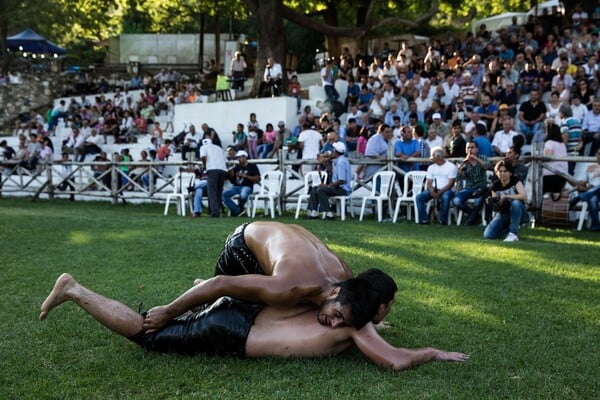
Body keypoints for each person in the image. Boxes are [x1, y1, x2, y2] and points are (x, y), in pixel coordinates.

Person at [39, 273, 469, 370]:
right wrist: (435, 352)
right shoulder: (358, 325)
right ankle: (75, 290)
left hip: (245, 312)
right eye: (339, 320)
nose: (334, 325)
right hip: (232, 329)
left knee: (203, 302)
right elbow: (393, 362)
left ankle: (197, 297)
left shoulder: (336, 293)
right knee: (146, 334)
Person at [143, 222, 398, 333]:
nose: (334, 325)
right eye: (337, 316)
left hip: (283, 245)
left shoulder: (346, 279)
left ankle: (205, 287)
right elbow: (222, 284)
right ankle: (201, 288)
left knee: (292, 303)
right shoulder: (289, 287)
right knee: (238, 305)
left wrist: (371, 320)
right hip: (243, 245)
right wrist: (167, 312)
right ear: (334, 292)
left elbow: (353, 303)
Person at [483, 160, 528, 242]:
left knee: (516, 203)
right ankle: (507, 231)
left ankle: (513, 234)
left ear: (510, 173)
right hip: (504, 213)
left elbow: (524, 197)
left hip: (520, 213)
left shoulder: (516, 181)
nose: (502, 173)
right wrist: (492, 203)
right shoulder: (495, 186)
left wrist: (507, 196)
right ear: (497, 173)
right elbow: (497, 207)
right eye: (500, 171)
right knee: (488, 235)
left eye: (505, 171)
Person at [307, 141, 352, 220]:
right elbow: (332, 171)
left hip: (343, 189)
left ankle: (329, 212)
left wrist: (328, 185)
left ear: (336, 151)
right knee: (315, 188)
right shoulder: (338, 160)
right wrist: (326, 160)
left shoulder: (341, 162)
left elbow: (342, 180)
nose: (332, 151)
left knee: (321, 190)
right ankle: (314, 211)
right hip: (337, 187)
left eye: (334, 150)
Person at [415, 146, 457, 225]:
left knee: (445, 197)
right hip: (434, 189)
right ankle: (424, 219)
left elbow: (451, 183)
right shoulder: (431, 167)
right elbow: (429, 182)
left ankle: (443, 220)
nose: (430, 158)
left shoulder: (451, 167)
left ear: (438, 157)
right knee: (419, 197)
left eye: (432, 156)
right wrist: (431, 190)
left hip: (447, 190)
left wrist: (440, 192)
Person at [452, 141, 489, 225]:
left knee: (477, 202)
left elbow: (487, 167)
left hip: (481, 188)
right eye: (468, 148)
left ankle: (471, 220)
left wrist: (475, 158)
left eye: (472, 147)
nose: (470, 150)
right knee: (456, 201)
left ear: (477, 149)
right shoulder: (464, 162)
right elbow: (458, 178)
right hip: (468, 188)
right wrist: (463, 165)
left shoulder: (483, 158)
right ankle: (474, 216)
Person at [569, 148, 600, 231]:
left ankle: (579, 198)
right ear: (596, 154)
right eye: (599, 153)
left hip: (594, 190)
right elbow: (582, 182)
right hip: (593, 192)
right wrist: (569, 179)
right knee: (593, 200)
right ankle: (596, 226)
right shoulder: (590, 167)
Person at [222, 150, 260, 217]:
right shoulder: (236, 167)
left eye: (240, 157)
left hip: (247, 186)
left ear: (245, 157)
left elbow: (257, 178)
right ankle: (237, 210)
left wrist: (245, 176)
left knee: (243, 195)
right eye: (238, 157)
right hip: (236, 187)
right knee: (223, 195)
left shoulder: (252, 166)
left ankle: (238, 209)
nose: (238, 159)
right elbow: (232, 181)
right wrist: (231, 175)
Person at [199, 138, 227, 218]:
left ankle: (214, 212)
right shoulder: (219, 148)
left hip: (212, 169)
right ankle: (218, 210)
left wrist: (204, 165)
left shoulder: (203, 147)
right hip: (223, 169)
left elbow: (203, 157)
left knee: (212, 192)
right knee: (218, 191)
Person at [542, 123, 568, 194]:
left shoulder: (549, 143)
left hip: (550, 175)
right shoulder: (562, 144)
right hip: (562, 176)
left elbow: (548, 157)